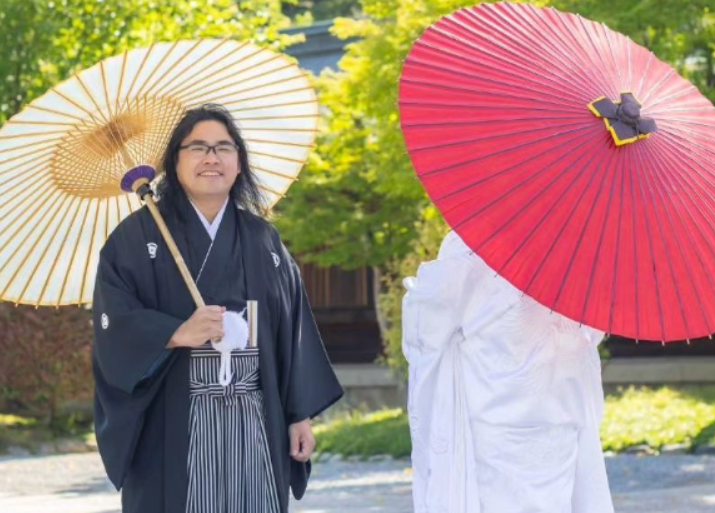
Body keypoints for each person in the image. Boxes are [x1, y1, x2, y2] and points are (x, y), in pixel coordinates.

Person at [92, 104, 343, 513]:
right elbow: (111, 322)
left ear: (239, 163)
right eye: (198, 147)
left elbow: (291, 329)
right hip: (174, 418)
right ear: (174, 162)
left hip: (255, 415)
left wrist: (299, 415)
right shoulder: (136, 240)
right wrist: (174, 333)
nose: (212, 157)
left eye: (224, 147)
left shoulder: (263, 238)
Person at [402, 231, 614, 513]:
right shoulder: (581, 249)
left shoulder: (474, 239)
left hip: (496, 413)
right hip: (555, 415)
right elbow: (588, 334)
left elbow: (430, 322)